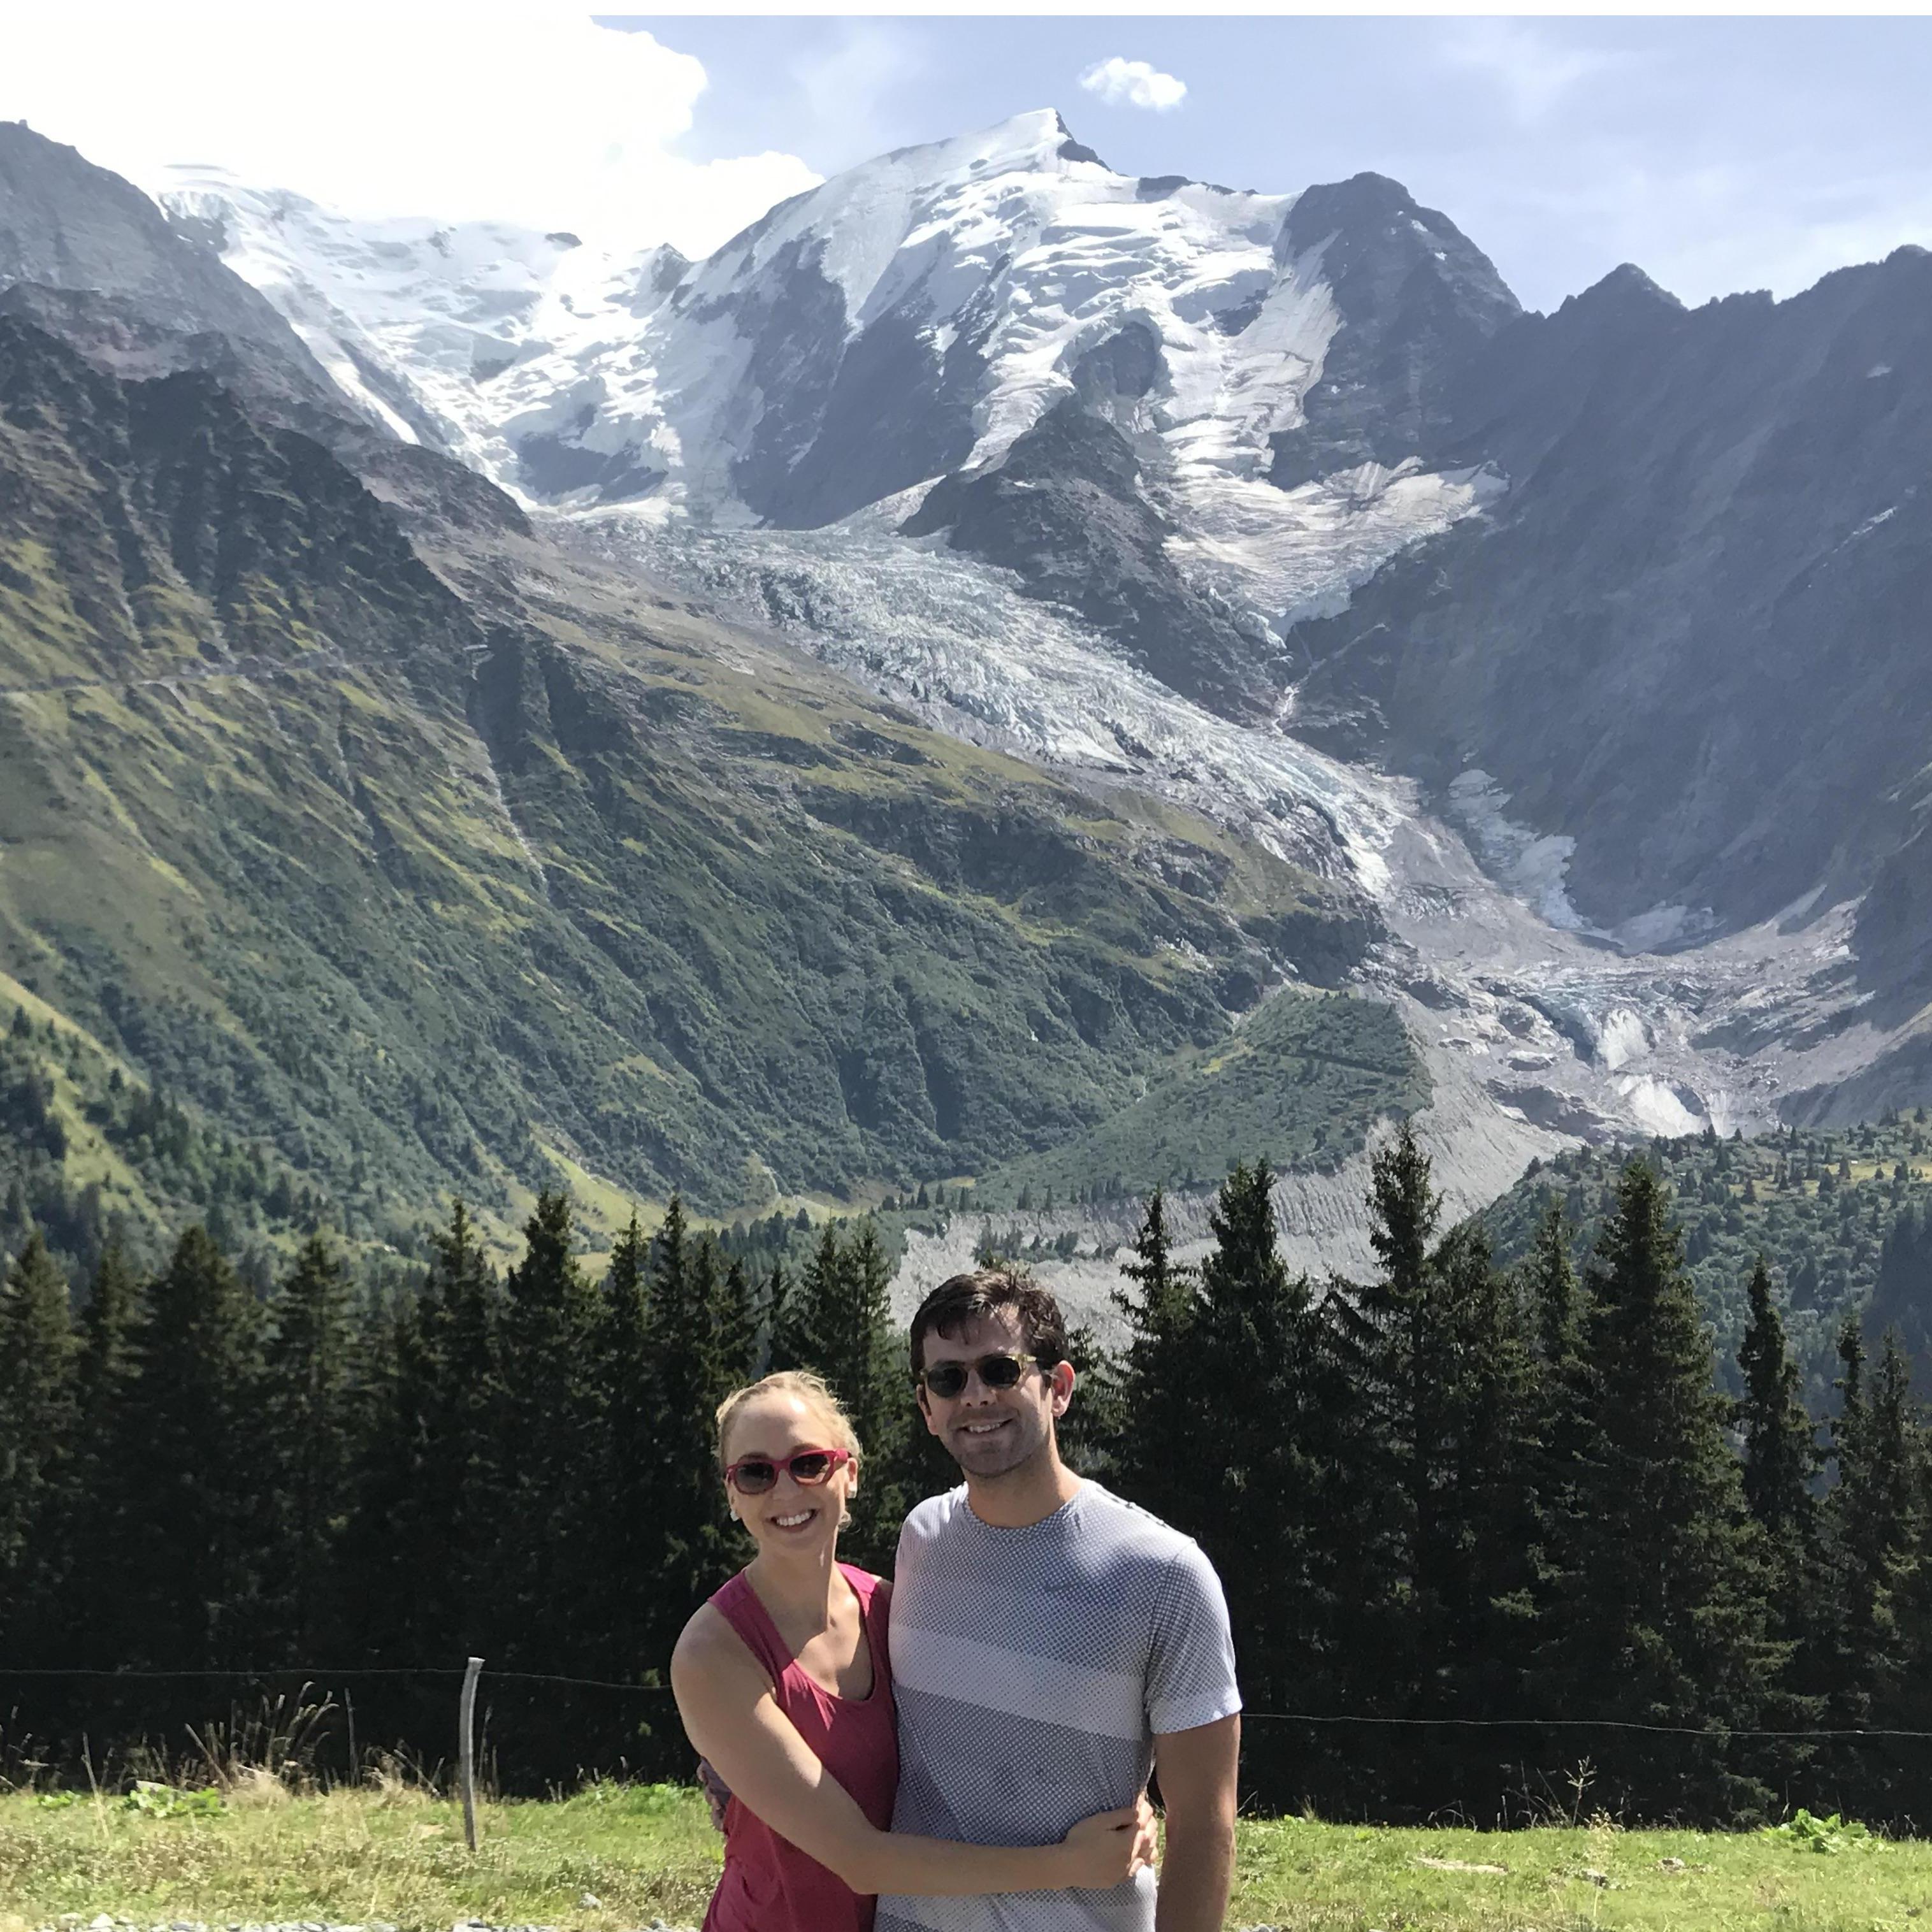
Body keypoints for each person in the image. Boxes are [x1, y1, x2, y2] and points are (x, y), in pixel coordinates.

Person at [670, 1369, 1158, 1932]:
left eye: (809, 1464)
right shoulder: (713, 1654)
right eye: (756, 1473)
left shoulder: (892, 1607)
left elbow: (997, 1732)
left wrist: (1123, 1804)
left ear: (848, 1474)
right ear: (733, 1495)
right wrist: (1068, 1865)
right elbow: (860, 1858)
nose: (786, 1491)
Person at [877, 1269, 1242, 1932]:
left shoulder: (1164, 1573)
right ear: (925, 1406)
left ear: (1060, 1386)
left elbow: (1204, 1824)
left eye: (999, 1367)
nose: (975, 1395)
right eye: (948, 1378)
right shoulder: (919, 1539)